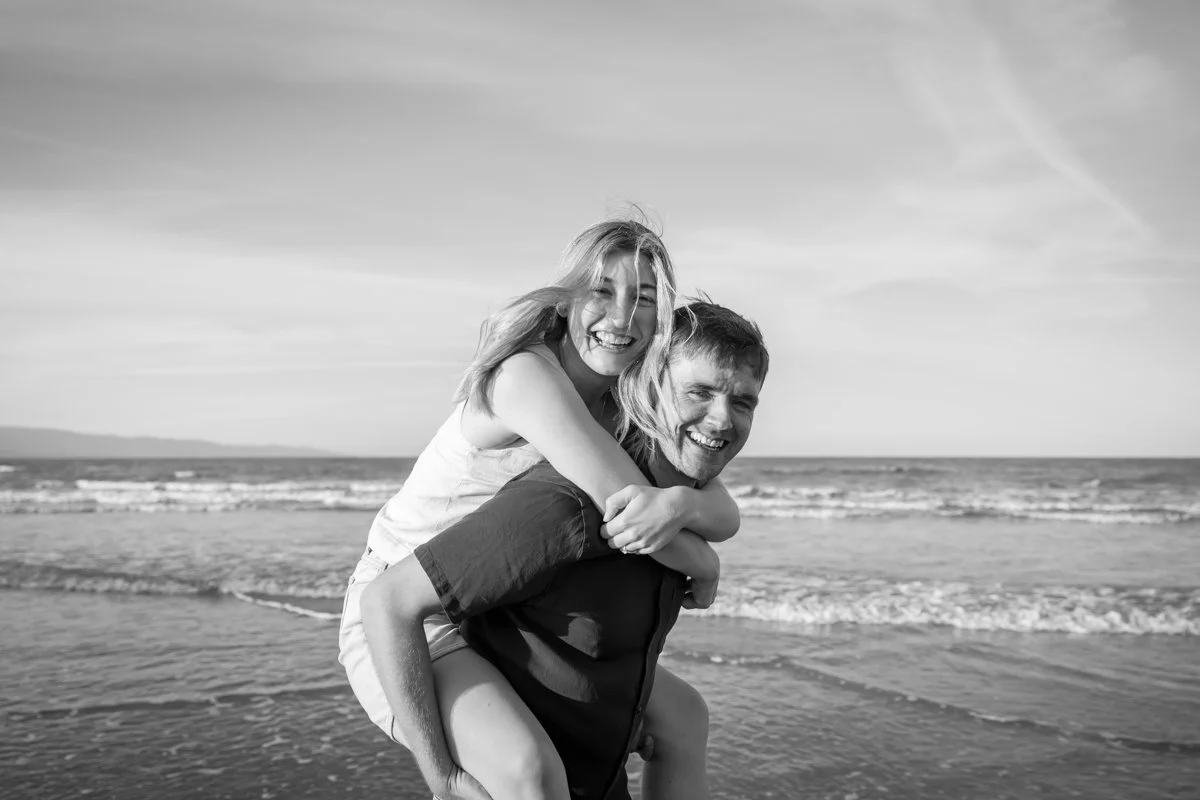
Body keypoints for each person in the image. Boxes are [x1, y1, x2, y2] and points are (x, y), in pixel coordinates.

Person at [338, 218, 742, 800]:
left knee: (682, 718)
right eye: (603, 291)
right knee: (531, 772)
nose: (622, 317)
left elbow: (718, 506)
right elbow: (627, 507)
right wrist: (703, 565)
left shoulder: (620, 399)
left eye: (645, 299)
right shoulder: (526, 375)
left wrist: (680, 502)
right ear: (567, 298)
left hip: (498, 611)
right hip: (406, 616)